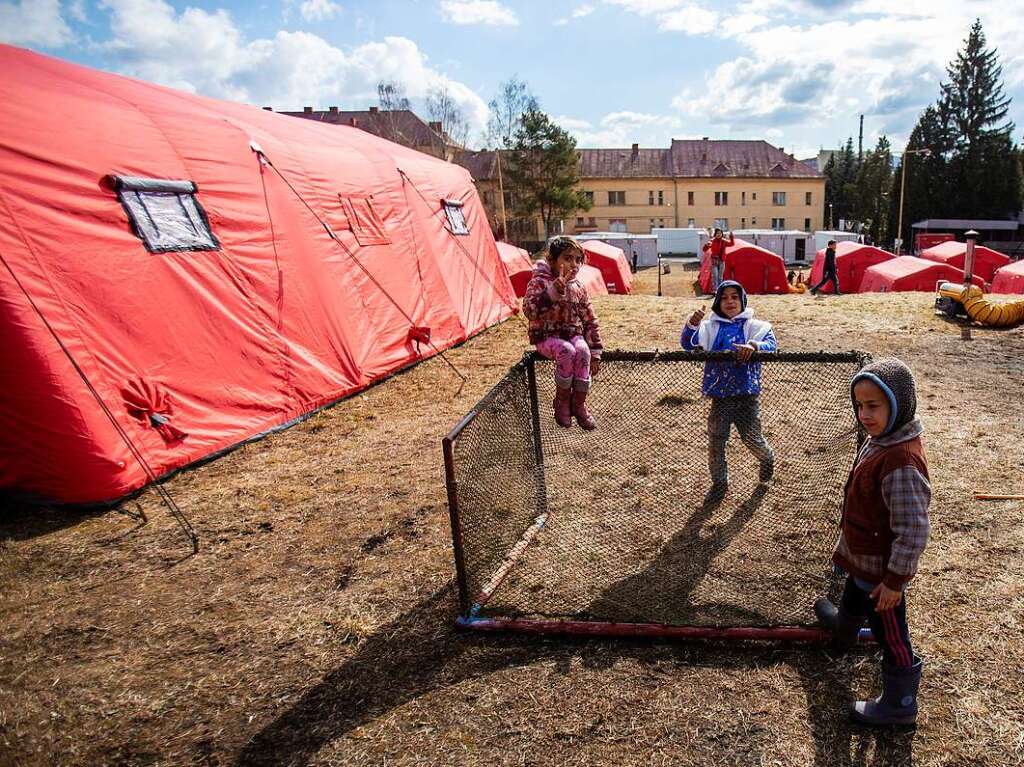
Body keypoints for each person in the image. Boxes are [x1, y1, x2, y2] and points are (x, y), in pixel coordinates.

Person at [814, 358, 930, 726]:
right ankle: (844, 631)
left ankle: (901, 702)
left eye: (874, 406)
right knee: (852, 592)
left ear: (899, 405)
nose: (864, 414)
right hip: (862, 559)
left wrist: (895, 582)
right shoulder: (880, 439)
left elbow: (912, 529)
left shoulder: (901, 460)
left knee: (891, 634)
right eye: (859, 405)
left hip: (883, 575)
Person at [680, 280, 776, 505]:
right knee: (716, 441)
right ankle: (719, 483)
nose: (730, 301)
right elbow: (688, 344)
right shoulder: (711, 328)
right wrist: (692, 324)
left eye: (735, 297)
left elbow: (771, 344)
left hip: (746, 398)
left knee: (752, 439)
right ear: (717, 302)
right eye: (724, 298)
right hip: (720, 399)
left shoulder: (756, 327)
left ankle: (767, 458)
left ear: (742, 301)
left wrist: (754, 347)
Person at [522, 237, 603, 430]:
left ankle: (579, 404)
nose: (573, 264)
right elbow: (529, 310)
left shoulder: (578, 287)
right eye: (567, 258)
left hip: (572, 334)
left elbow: (590, 319)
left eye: (578, 260)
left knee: (582, 351)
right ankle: (562, 403)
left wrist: (596, 350)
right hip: (546, 337)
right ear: (552, 261)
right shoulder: (539, 282)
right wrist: (551, 293)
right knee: (567, 350)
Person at [702, 228, 734, 294]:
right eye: (717, 233)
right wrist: (706, 245)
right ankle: (715, 290)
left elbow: (731, 244)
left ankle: (720, 289)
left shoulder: (724, 241)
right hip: (714, 261)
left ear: (722, 234)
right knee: (715, 276)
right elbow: (704, 249)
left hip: (722, 261)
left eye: (720, 233)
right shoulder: (712, 241)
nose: (719, 234)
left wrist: (731, 236)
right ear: (715, 234)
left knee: (720, 276)